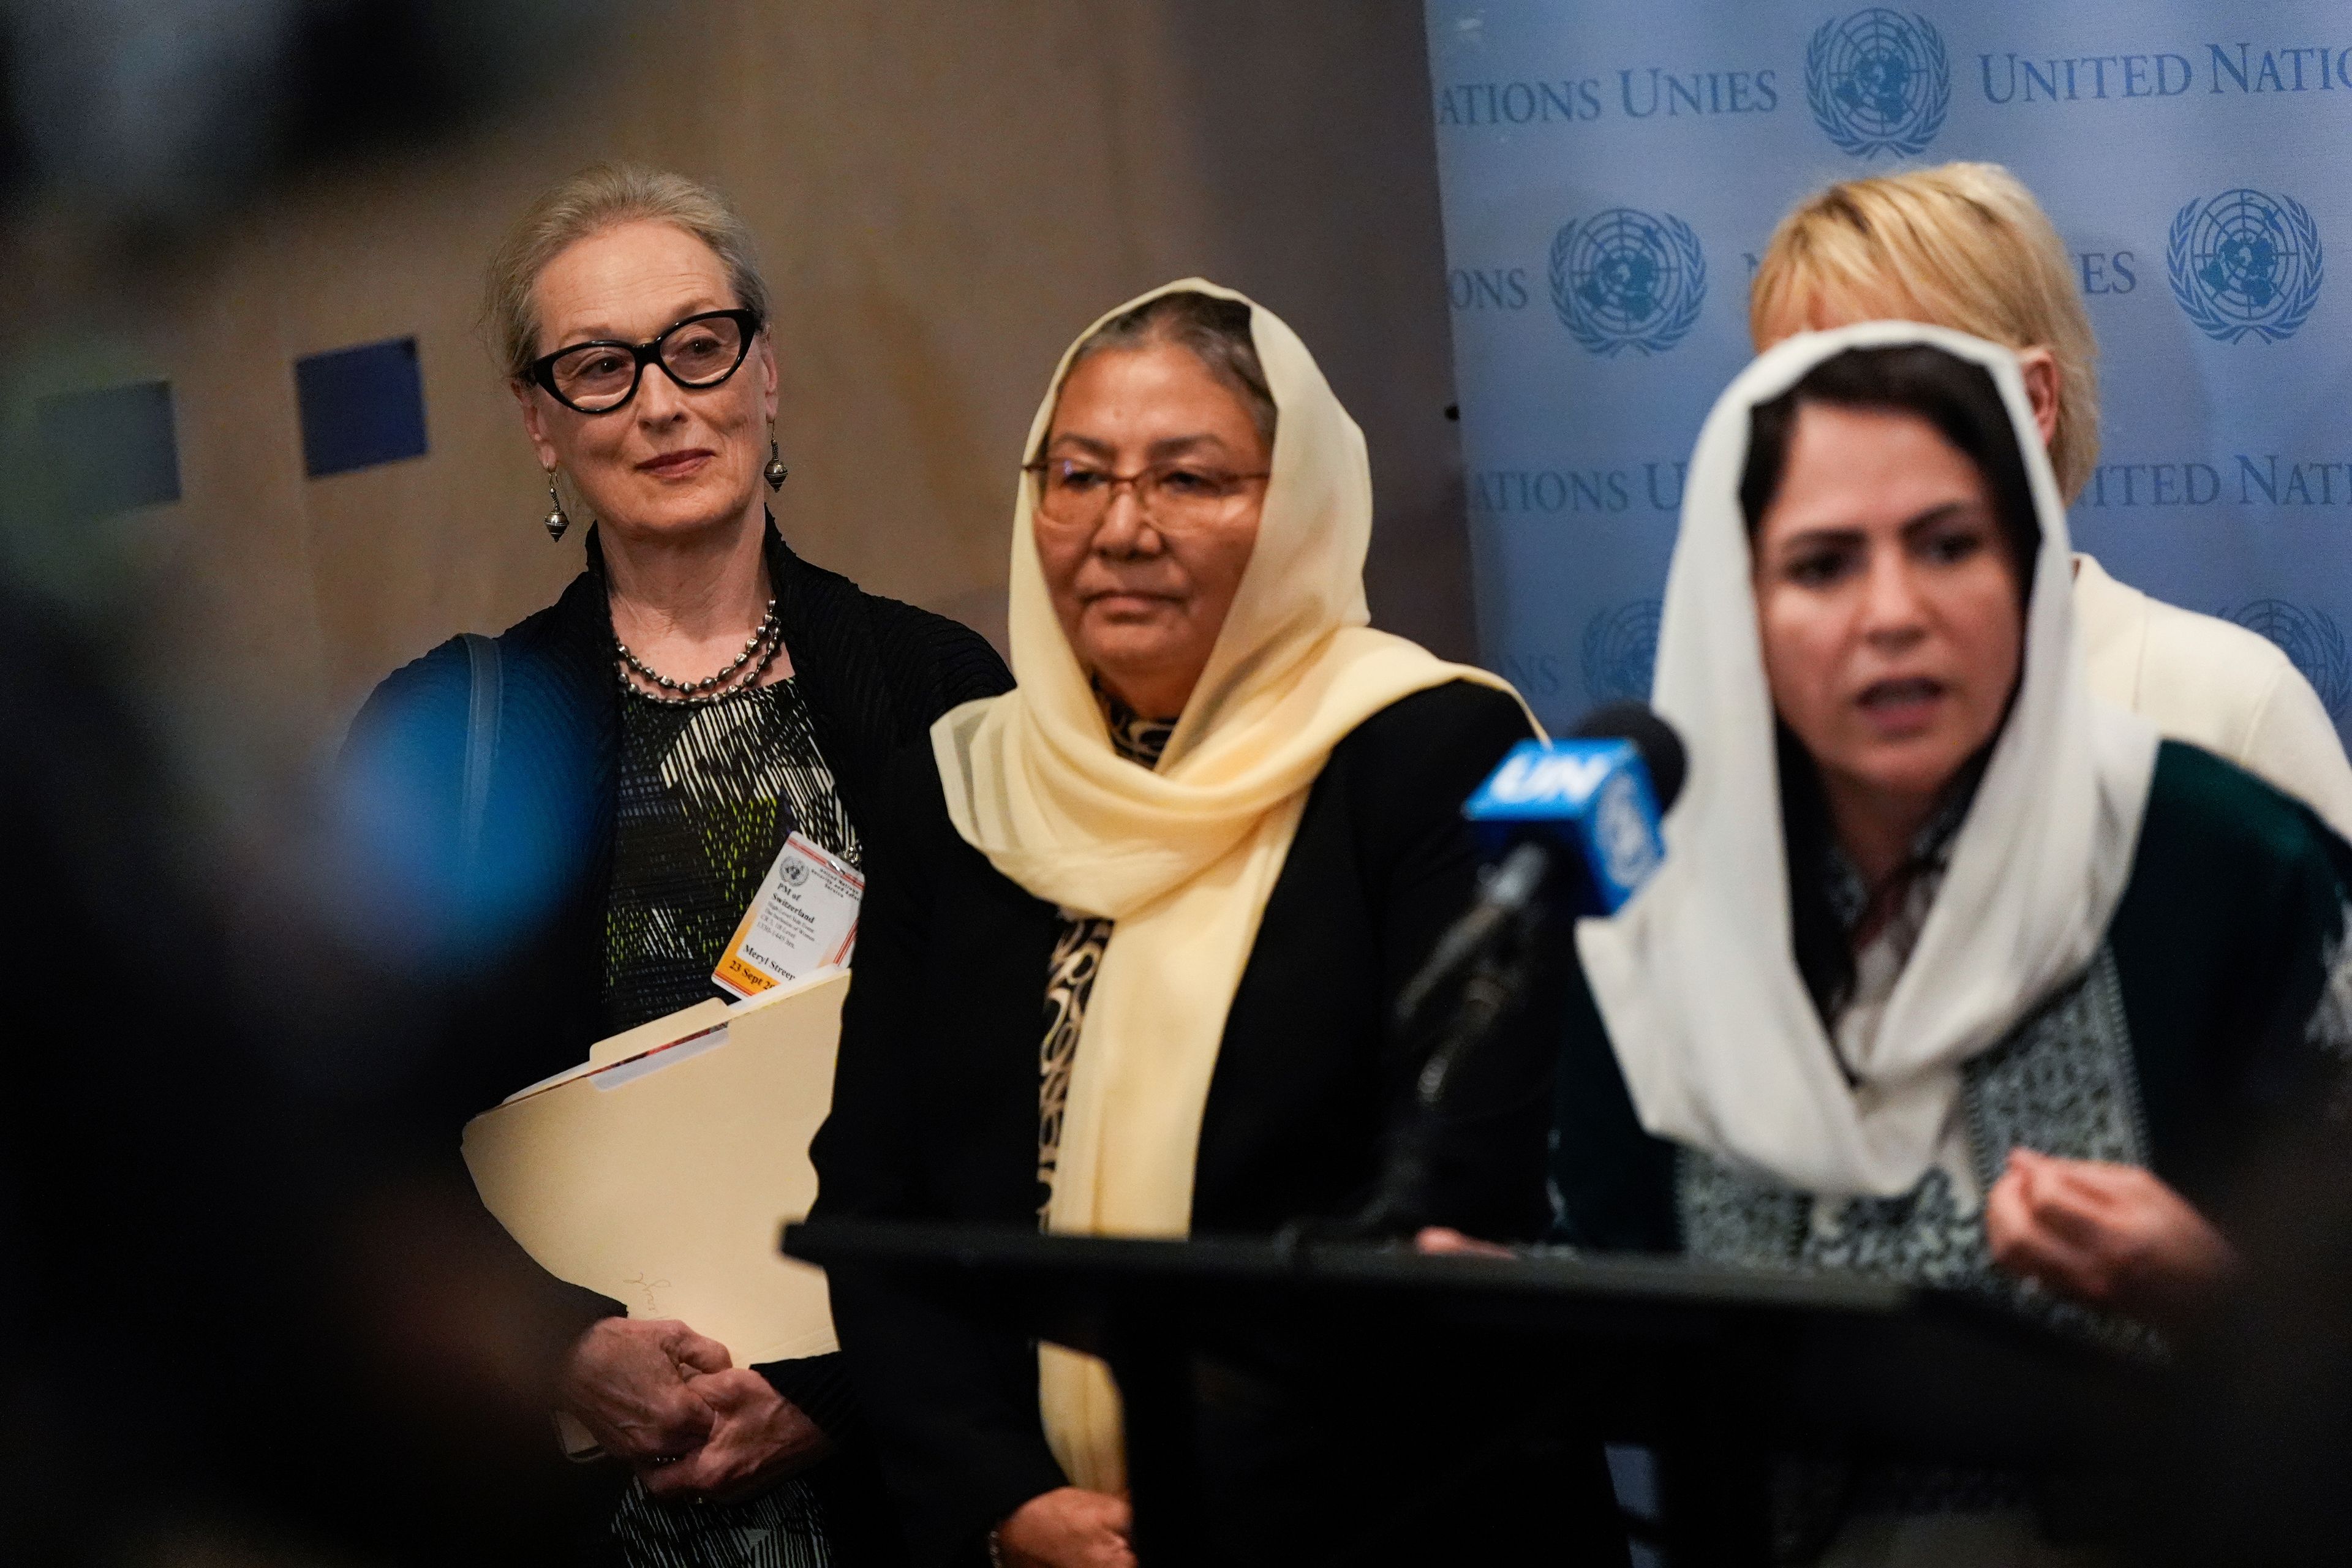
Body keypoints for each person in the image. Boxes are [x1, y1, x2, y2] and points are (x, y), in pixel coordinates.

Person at [809, 281, 1618, 1568]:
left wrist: (1196, 1516)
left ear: (1294, 502)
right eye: (1079, 475)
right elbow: (873, 1198)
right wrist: (1002, 1495)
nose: (1122, 527)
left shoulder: (1427, 751)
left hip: (1386, 1522)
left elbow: (1455, 1190)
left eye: (1188, 480)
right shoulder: (962, 788)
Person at [1518, 323, 2352, 1562]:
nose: (1893, 613)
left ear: (2027, 570)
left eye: (1950, 546)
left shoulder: (2219, 858)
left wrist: (2215, 1283)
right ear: (1735, 605)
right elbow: (1626, 1298)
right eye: (1822, 564)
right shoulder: (1656, 906)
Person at [340, 164, 1010, 1566]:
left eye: (698, 344)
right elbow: (365, 1136)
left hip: (908, 1474)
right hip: (582, 1503)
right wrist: (562, 1346)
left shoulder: (940, 690)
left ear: (766, 372)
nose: (660, 399)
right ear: (537, 421)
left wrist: (833, 1384)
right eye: (598, 365)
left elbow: (1022, 1092)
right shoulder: (452, 738)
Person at [1749, 162, 2352, 837]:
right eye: (1797, 395)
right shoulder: (1746, 731)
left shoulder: (2229, 706)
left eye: (1891, 388)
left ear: (2033, 400)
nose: (1837, 437)